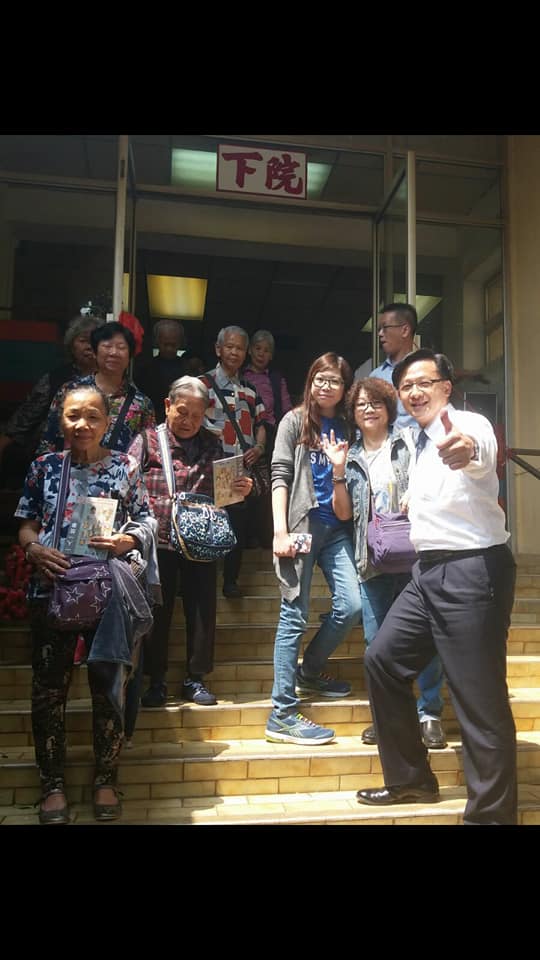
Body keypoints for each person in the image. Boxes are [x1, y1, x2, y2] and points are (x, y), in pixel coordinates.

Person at [356, 348, 517, 825]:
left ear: (446, 387)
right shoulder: (421, 445)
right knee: (383, 661)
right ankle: (411, 780)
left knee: (479, 698)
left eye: (424, 383)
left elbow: (476, 451)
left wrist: (467, 451)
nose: (414, 392)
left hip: (472, 571)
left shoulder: (466, 424)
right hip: (426, 574)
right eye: (406, 386)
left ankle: (491, 817)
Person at [15, 383, 158, 824]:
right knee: (48, 692)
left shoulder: (124, 466)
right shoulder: (44, 467)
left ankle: (106, 779)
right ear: (60, 419)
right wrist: (33, 549)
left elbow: (147, 518)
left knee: (108, 688)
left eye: (93, 416)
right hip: (51, 588)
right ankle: (52, 784)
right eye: (73, 415)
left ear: (107, 422)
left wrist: (127, 540)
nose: (83, 424)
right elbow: (26, 523)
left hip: (105, 593)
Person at [323, 376, 447, 750]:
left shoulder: (408, 442)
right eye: (361, 404)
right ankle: (389, 717)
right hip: (373, 562)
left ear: (388, 409)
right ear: (353, 413)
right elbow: (344, 514)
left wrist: (416, 493)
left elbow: (435, 478)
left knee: (425, 638)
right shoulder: (350, 456)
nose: (369, 410)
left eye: (375, 403)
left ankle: (429, 714)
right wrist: (338, 471)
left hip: (416, 558)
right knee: (377, 645)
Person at [129, 376, 253, 708]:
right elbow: (125, 485)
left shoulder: (213, 444)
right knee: (158, 610)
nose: (189, 421)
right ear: (168, 406)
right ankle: (155, 681)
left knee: (202, 610)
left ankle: (195, 678)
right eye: (182, 412)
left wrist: (241, 490)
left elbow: (226, 495)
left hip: (200, 540)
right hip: (158, 540)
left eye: (196, 416)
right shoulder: (147, 441)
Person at [264, 353, 363, 746]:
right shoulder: (294, 421)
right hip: (301, 527)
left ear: (345, 388)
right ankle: (282, 714)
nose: (326, 386)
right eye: (320, 378)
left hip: (337, 528)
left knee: (352, 605)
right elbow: (280, 475)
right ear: (310, 381)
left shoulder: (349, 426)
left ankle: (311, 670)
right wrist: (279, 531)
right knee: (294, 616)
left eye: (334, 380)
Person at [200, 325, 269, 598]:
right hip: (207, 468)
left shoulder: (250, 389)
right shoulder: (202, 384)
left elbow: (262, 423)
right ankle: (199, 581)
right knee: (206, 521)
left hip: (239, 467)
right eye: (229, 346)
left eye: (240, 348)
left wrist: (260, 447)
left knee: (237, 524)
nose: (234, 352)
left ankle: (230, 580)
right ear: (218, 349)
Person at [0, 314, 104, 487]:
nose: (89, 346)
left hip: (100, 464)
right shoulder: (55, 379)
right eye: (83, 341)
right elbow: (26, 416)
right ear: (71, 346)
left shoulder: (113, 382)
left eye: (95, 341)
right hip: (57, 461)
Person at [36, 320, 156, 456]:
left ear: (130, 356)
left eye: (121, 347)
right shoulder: (70, 391)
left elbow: (149, 452)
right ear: (95, 352)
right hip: (69, 468)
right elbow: (49, 440)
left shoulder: (142, 403)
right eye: (107, 346)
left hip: (120, 469)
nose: (113, 352)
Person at [243, 330, 293, 549]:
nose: (261, 354)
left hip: (272, 437)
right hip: (244, 436)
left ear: (271, 355)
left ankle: (267, 536)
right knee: (246, 486)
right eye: (257, 349)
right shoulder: (241, 376)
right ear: (250, 350)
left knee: (270, 486)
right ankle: (247, 536)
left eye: (266, 351)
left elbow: (287, 409)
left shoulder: (275, 378)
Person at [134, 319, 205, 423]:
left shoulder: (188, 369)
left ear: (180, 343)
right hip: (151, 419)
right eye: (165, 344)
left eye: (173, 345)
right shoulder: (145, 368)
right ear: (157, 342)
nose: (169, 349)